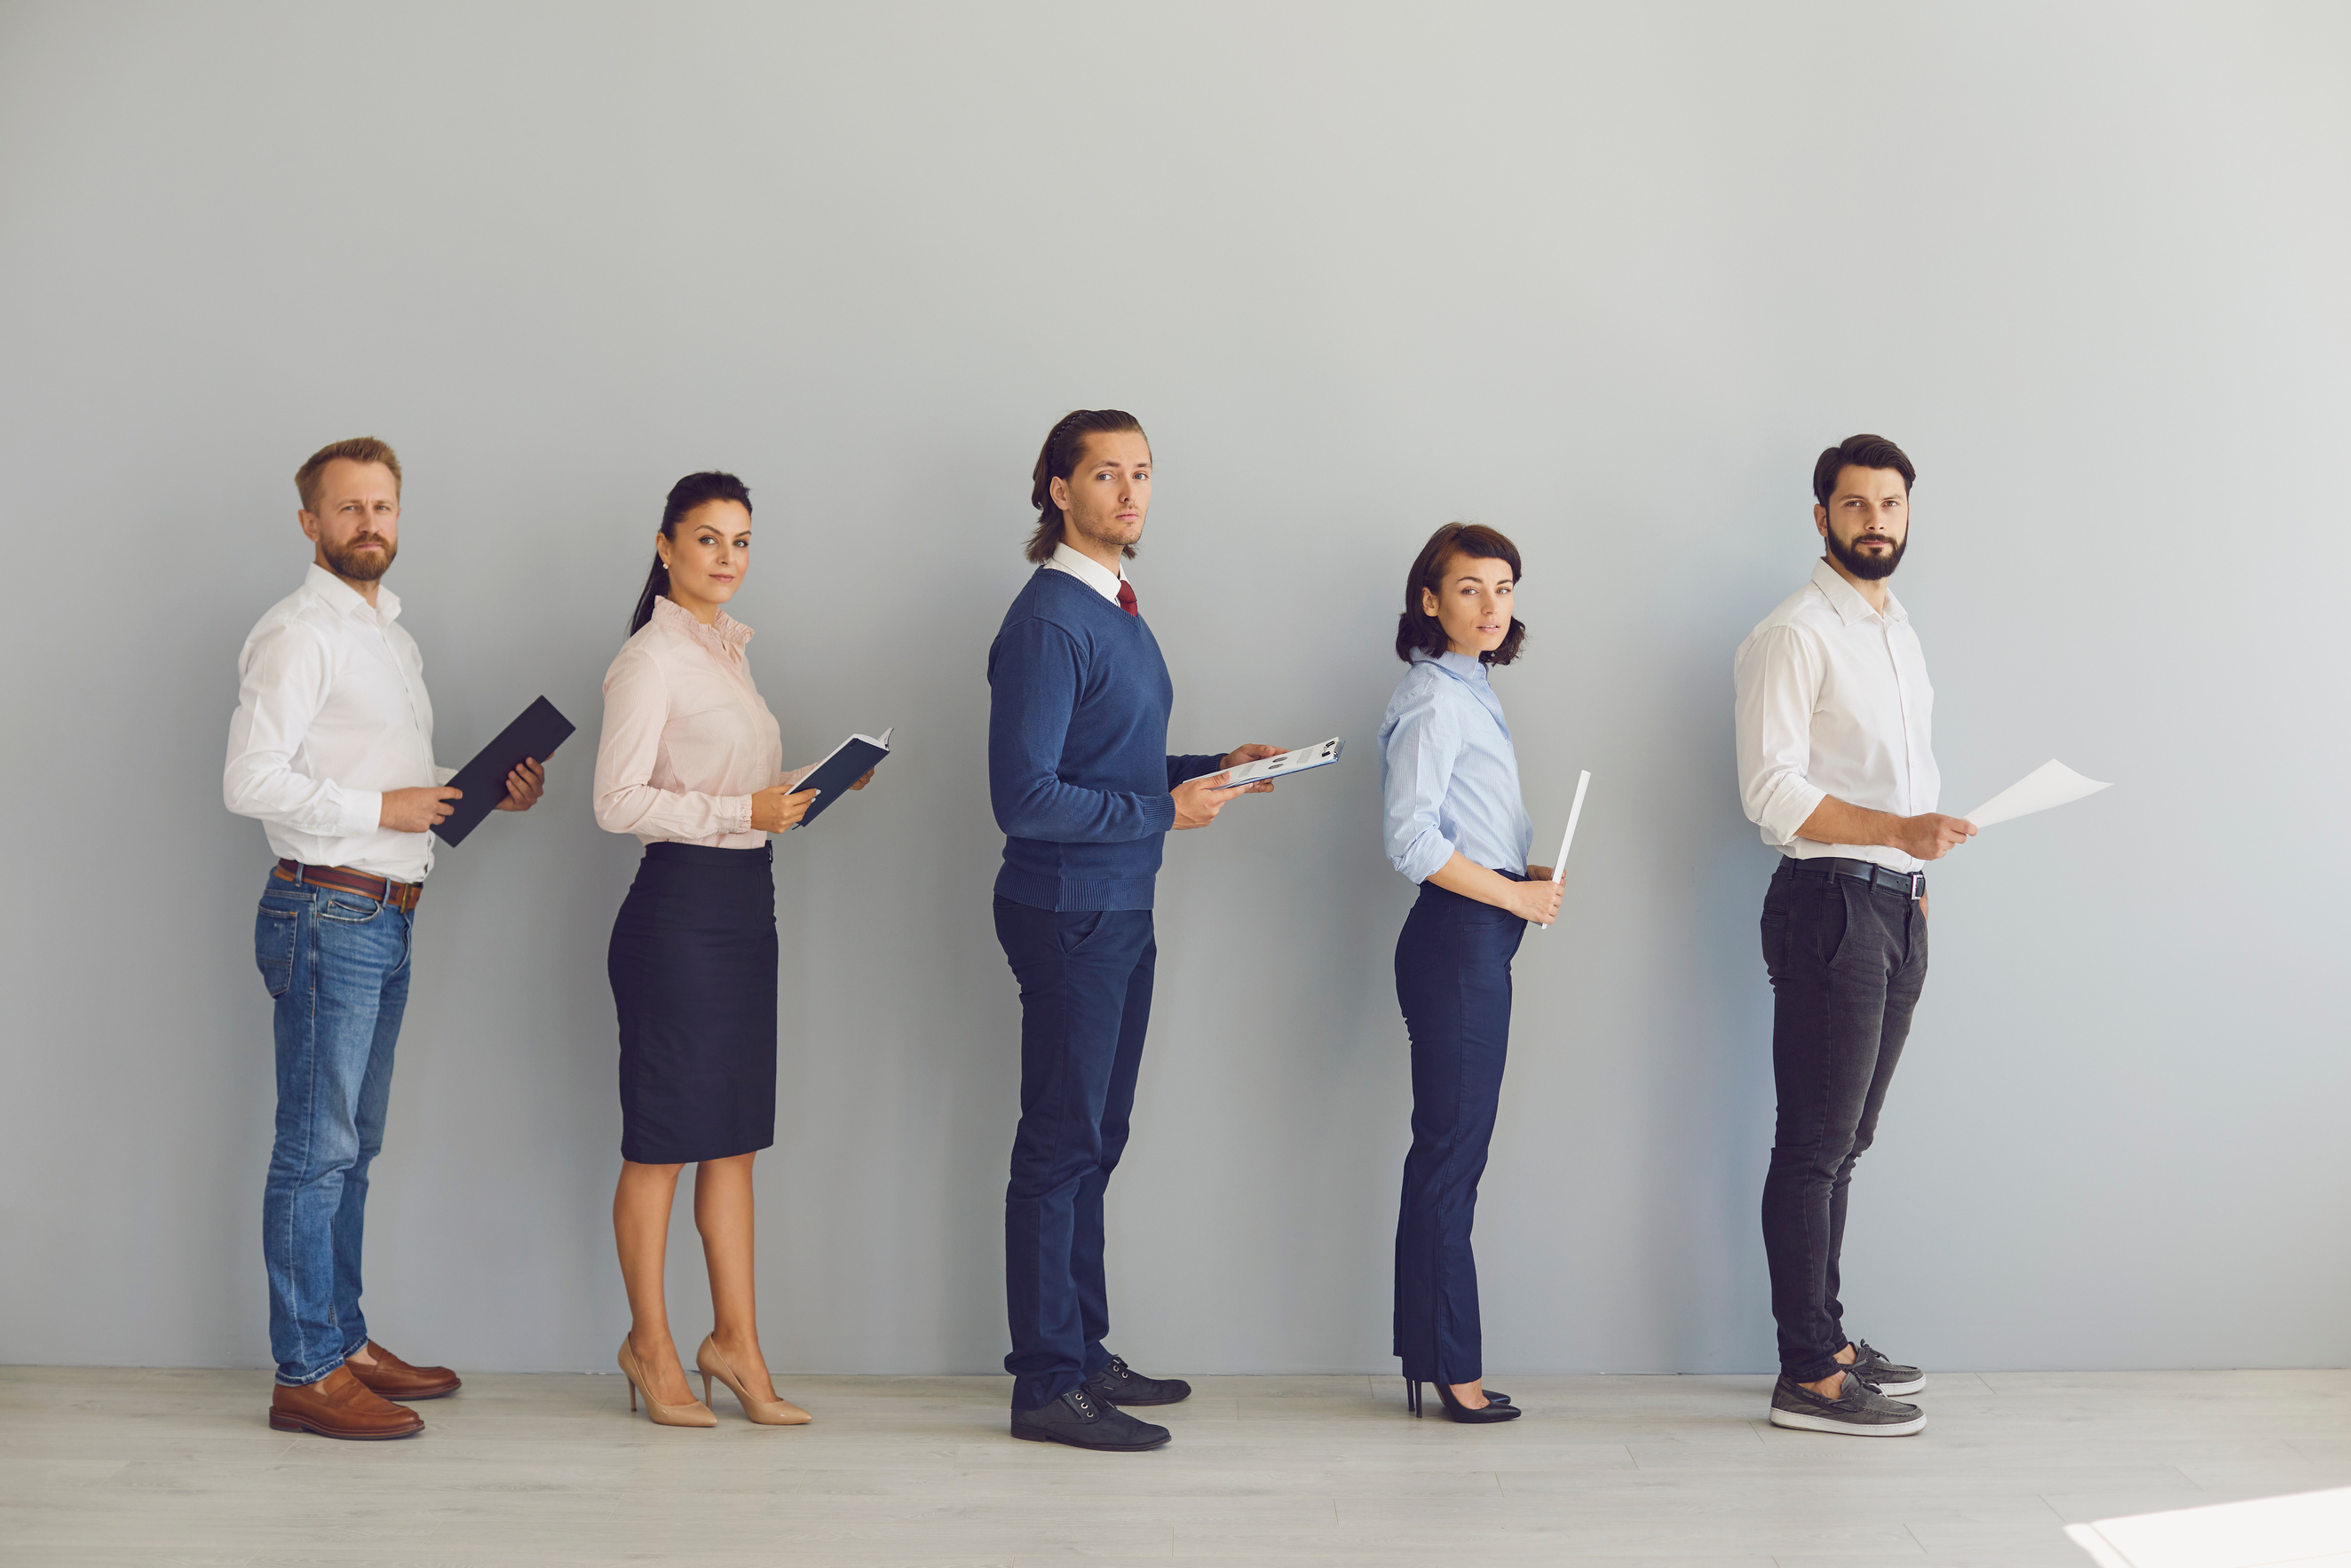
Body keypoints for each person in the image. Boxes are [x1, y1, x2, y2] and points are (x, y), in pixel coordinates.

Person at [226, 437, 547, 1440]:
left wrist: (480, 791)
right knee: (314, 1150)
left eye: (384, 507)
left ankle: (344, 1338)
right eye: (349, 507)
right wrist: (386, 802)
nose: (371, 523)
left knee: (352, 1150)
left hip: (385, 911)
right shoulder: (297, 632)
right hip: (326, 909)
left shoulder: (388, 636)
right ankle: (304, 1370)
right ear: (309, 523)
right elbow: (250, 781)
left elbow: (400, 794)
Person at [986, 409, 1286, 1452]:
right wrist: (1166, 810)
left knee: (1095, 1141)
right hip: (1069, 909)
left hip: (1116, 902)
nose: (1129, 491)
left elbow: (1101, 765)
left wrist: (1203, 770)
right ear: (1056, 490)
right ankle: (1045, 1384)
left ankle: (1082, 1351)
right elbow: (1022, 797)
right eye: (1105, 474)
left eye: (1143, 473)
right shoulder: (1049, 621)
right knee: (1060, 1144)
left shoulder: (1114, 604)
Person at [592, 471, 870, 1428]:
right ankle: (650, 1342)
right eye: (708, 539)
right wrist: (739, 809)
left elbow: (737, 789)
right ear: (665, 546)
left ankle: (736, 1344)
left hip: (749, 906)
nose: (727, 558)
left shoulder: (731, 655)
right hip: (676, 916)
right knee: (663, 1141)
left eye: (742, 541)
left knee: (737, 1140)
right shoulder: (647, 660)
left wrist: (808, 785)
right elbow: (616, 800)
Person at [1733, 434, 1975, 1437]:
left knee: (1848, 1141)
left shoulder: (1894, 630)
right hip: (1830, 896)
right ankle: (1806, 1374)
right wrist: (1891, 833)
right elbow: (1769, 790)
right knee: (1812, 1143)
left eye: (1890, 504)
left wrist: (1910, 864)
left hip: (1894, 900)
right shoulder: (1793, 633)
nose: (1874, 519)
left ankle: (1827, 1340)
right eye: (1854, 504)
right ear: (1821, 516)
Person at [1379, 522, 1559, 1426]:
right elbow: (1410, 840)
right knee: (1451, 1160)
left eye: (1503, 587)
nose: (1491, 605)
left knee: (1446, 1156)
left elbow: (1465, 826)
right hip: (1456, 942)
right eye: (1468, 588)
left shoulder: (1470, 687)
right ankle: (1455, 1371)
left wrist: (1518, 877)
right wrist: (1510, 898)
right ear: (1428, 600)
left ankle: (1431, 1355)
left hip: (1476, 932)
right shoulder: (1434, 698)